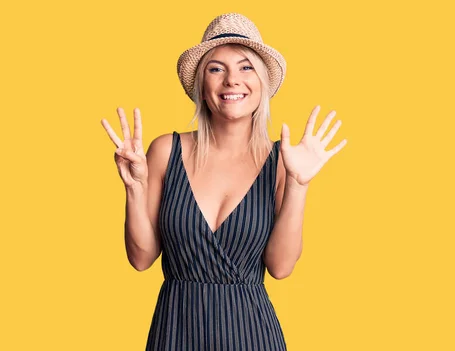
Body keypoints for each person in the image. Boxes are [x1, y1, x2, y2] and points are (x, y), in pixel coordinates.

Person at [100, 12, 346, 350]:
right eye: (217, 69)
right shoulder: (165, 151)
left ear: (262, 84)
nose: (232, 80)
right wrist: (134, 188)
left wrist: (298, 184)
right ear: (201, 86)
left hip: (253, 335)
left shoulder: (281, 161)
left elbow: (281, 266)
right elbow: (141, 259)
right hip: (175, 334)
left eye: (246, 67)